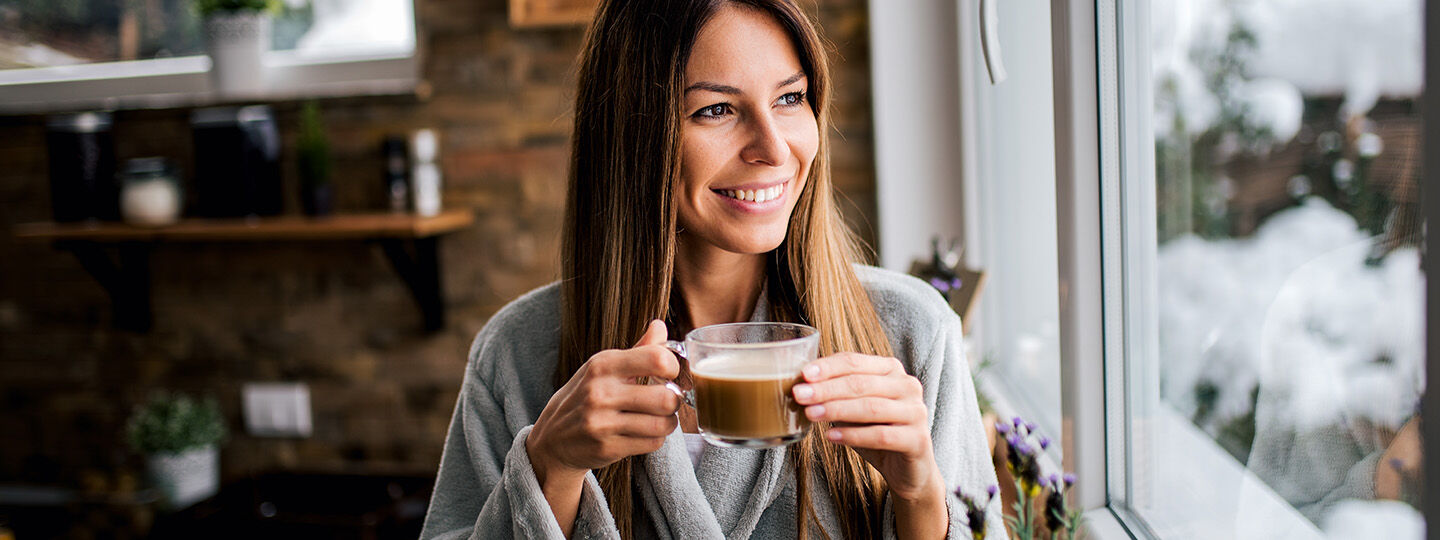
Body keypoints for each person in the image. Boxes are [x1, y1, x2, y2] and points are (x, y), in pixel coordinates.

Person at [419, 0, 1001, 538]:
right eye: (717, 109)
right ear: (635, 134)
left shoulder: (912, 333)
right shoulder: (516, 355)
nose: (773, 148)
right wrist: (550, 468)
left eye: (790, 98)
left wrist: (921, 493)